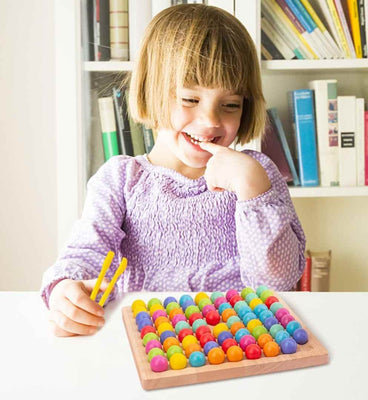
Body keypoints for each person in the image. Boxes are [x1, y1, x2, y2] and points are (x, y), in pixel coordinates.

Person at [41, 3, 306, 337]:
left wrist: (254, 190)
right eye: (190, 100)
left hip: (239, 345)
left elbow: (279, 282)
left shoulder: (257, 174)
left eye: (230, 105)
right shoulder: (121, 179)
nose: (211, 121)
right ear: (152, 94)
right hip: (153, 343)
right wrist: (64, 288)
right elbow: (85, 252)